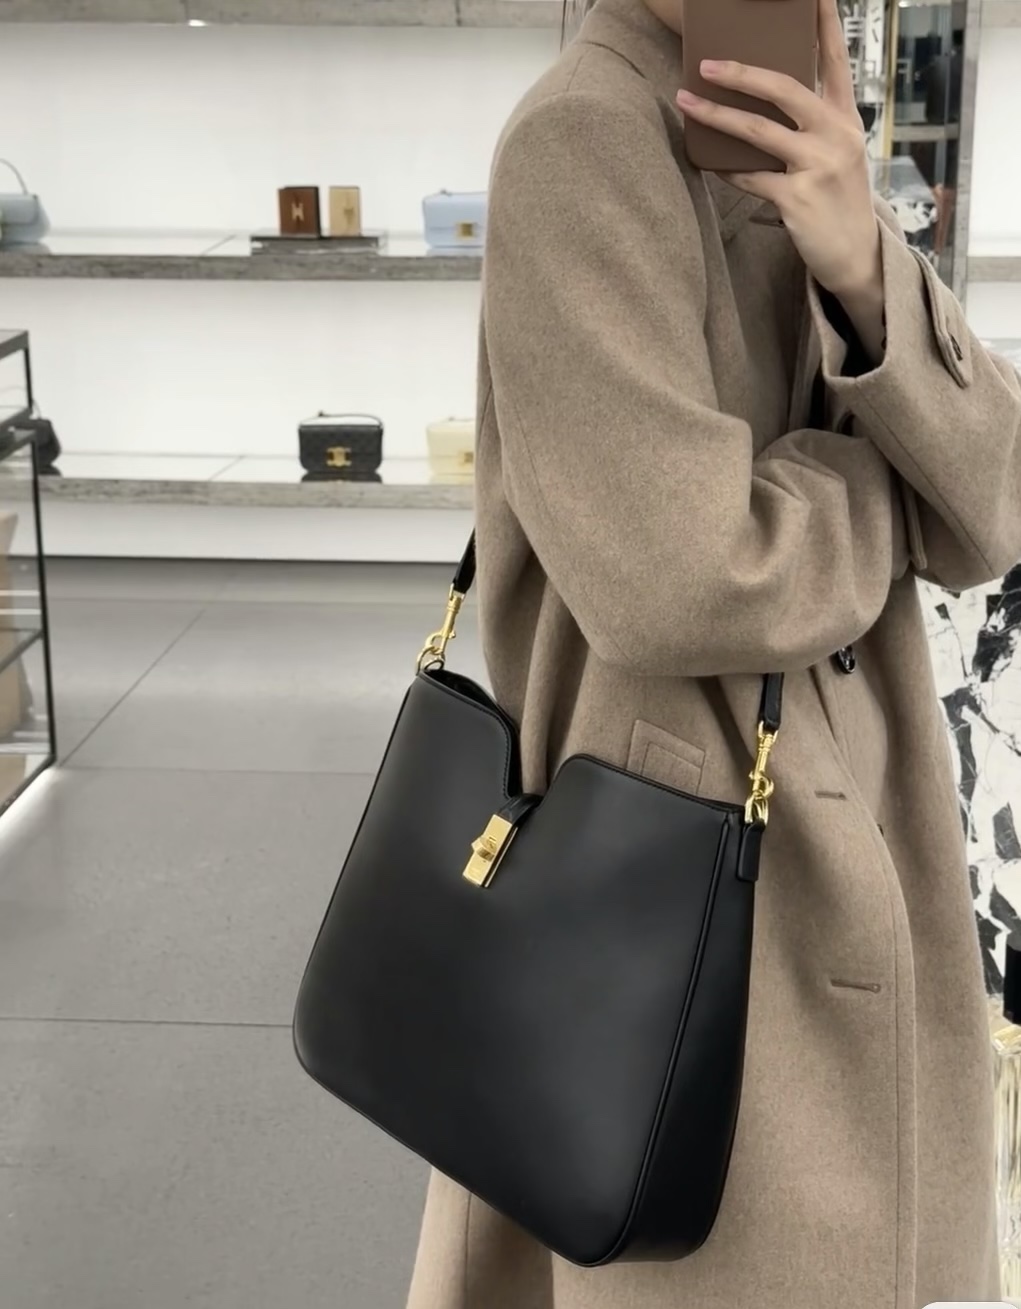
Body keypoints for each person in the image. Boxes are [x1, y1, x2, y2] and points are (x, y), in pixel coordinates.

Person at [406, 0, 1021, 1305]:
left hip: (863, 835)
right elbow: (680, 577)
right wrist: (882, 492)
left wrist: (865, 265)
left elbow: (992, 507)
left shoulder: (805, 138)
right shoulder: (583, 140)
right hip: (676, 884)